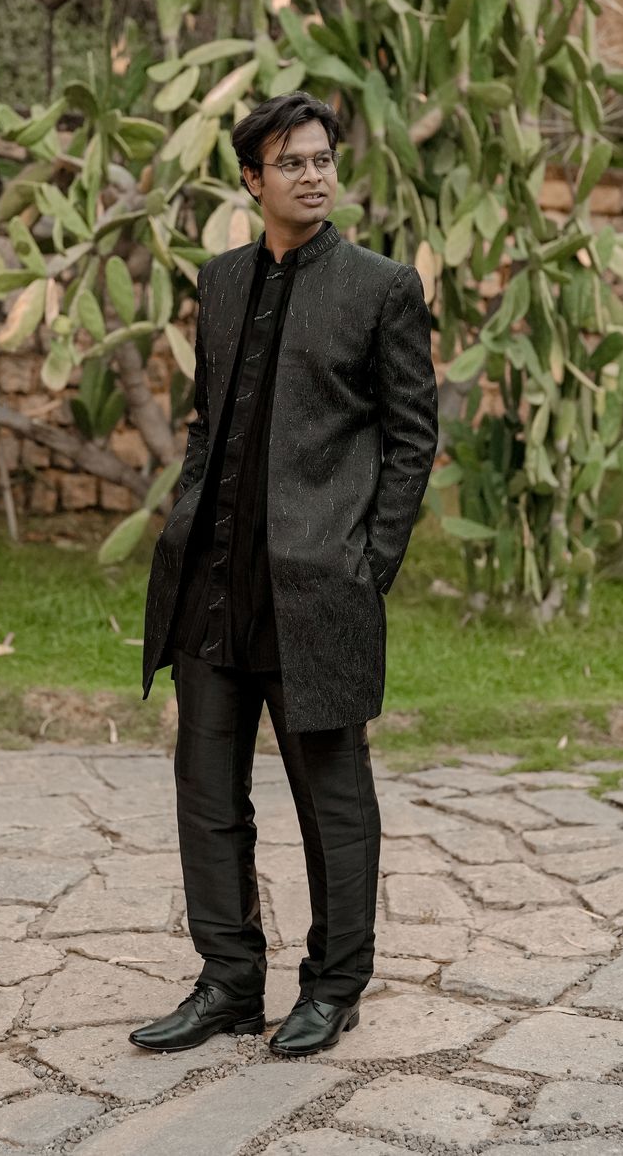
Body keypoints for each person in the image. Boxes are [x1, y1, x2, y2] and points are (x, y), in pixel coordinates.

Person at [134, 91, 440, 1057]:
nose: (312, 175)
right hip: (212, 586)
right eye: (291, 162)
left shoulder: (381, 287)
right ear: (251, 179)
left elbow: (412, 438)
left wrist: (367, 565)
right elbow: (206, 422)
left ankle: (335, 985)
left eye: (322, 159)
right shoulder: (221, 282)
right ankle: (228, 981)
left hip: (315, 590)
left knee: (332, 800)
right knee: (206, 795)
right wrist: (186, 523)